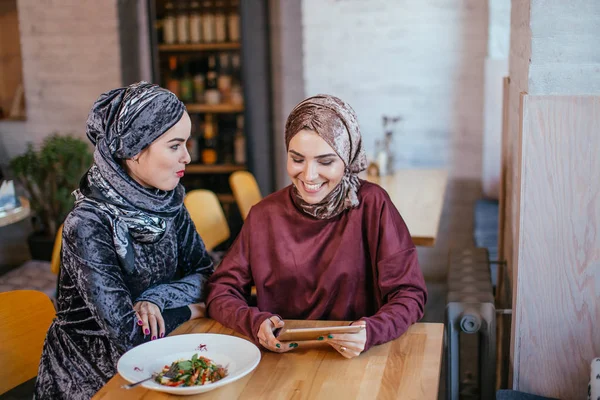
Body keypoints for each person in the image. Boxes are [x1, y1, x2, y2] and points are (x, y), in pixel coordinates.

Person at [206, 94, 427, 359]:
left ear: (347, 159)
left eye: (325, 161)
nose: (308, 175)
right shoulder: (264, 216)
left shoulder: (372, 205)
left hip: (358, 359)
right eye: (297, 159)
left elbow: (409, 294)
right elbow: (220, 292)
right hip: (284, 363)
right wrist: (253, 321)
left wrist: (373, 330)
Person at [35, 82, 213, 399]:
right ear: (132, 151)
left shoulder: (167, 203)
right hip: (93, 380)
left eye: (186, 143)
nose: (188, 156)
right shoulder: (88, 224)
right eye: (175, 146)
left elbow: (206, 275)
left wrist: (158, 297)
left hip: (162, 361)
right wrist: (192, 311)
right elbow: (130, 335)